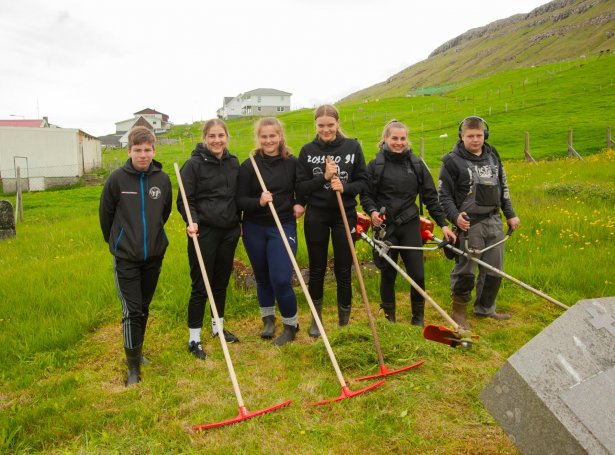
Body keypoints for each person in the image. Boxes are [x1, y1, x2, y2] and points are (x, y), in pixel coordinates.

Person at [361, 120, 456, 327]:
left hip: (410, 225)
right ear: (385, 139)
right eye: (394, 138)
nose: (399, 142)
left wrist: (444, 224)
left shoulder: (416, 164)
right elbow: (366, 195)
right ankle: (389, 319)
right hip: (386, 228)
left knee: (418, 274)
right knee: (388, 273)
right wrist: (373, 212)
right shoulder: (375, 165)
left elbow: (431, 197)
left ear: (407, 139)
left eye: (402, 138)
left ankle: (418, 318)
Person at [99, 126, 172, 386]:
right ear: (129, 150)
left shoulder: (162, 179)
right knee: (131, 310)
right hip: (126, 257)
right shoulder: (117, 179)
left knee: (143, 308)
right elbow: (106, 217)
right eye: (138, 150)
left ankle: (138, 353)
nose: (143, 155)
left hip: (153, 255)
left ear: (154, 150)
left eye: (147, 150)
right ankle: (132, 368)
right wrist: (120, 243)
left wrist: (152, 240)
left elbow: (165, 212)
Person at [438, 116, 520, 329]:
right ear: (461, 136)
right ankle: (459, 312)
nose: (476, 140)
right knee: (466, 270)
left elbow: (503, 186)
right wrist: (455, 217)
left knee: (494, 269)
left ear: (485, 134)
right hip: (469, 225)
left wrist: (510, 214)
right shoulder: (451, 162)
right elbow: (443, 196)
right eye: (471, 136)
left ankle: (485, 309)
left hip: (493, 221)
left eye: (479, 135)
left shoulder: (493, 155)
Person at [296, 104, 368, 337]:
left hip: (344, 214)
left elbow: (363, 181)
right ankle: (316, 320)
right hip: (316, 215)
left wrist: (345, 187)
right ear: (315, 125)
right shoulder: (307, 151)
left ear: (338, 123)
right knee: (317, 269)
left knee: (343, 268)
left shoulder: (352, 147)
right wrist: (324, 178)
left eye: (330, 125)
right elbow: (300, 187)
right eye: (321, 125)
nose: (326, 130)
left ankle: (343, 321)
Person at [237, 118, 305, 346]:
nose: (268, 140)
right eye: (264, 136)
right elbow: (239, 200)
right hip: (255, 228)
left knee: (280, 278)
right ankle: (268, 319)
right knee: (263, 277)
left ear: (280, 136)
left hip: (282, 225)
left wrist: (299, 202)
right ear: (259, 138)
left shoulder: (292, 163)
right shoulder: (249, 165)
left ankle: (290, 325)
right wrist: (259, 201)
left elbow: (301, 189)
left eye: (272, 136)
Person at [177, 119, 241, 360]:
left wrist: (239, 222)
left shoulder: (233, 163)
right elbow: (184, 199)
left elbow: (237, 196)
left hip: (229, 231)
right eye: (212, 136)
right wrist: (191, 220)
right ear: (205, 138)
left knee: (221, 282)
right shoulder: (193, 165)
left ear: (227, 137)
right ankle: (194, 338)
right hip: (203, 232)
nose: (217, 140)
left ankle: (218, 328)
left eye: (221, 135)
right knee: (201, 286)